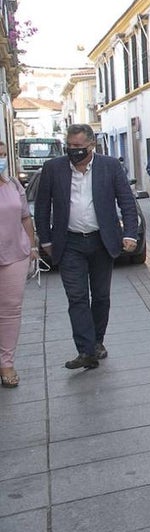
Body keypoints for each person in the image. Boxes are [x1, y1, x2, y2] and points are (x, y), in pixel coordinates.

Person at [34, 124, 139, 370]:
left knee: (101, 296)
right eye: (69, 146)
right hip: (69, 242)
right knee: (77, 297)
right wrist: (46, 240)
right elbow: (42, 206)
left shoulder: (110, 166)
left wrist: (130, 233)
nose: (73, 151)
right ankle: (86, 350)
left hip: (102, 241)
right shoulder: (53, 168)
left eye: (78, 147)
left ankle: (97, 341)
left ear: (91, 145)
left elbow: (126, 201)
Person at [0, 140, 37, 388]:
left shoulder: (13, 184)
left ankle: (7, 364)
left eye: (3, 154)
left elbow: (25, 217)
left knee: (11, 310)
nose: (1, 159)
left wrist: (32, 247)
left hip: (15, 254)